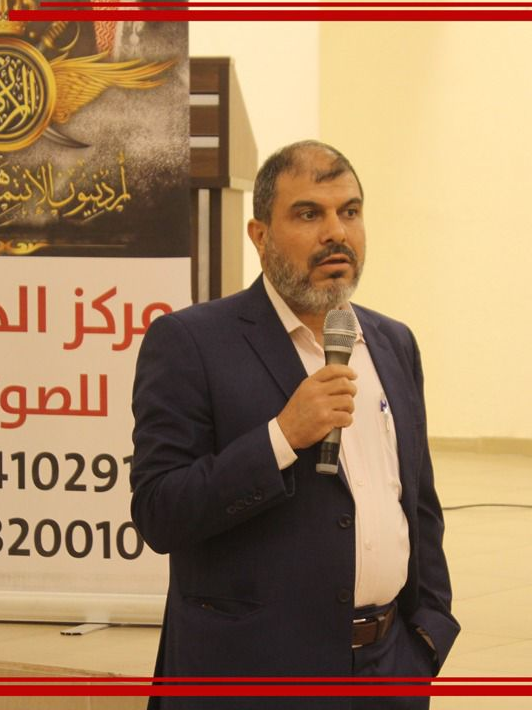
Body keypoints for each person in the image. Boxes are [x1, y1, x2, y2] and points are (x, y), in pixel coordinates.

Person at [130, 140, 459, 709]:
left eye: (350, 211)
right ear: (259, 236)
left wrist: (428, 633)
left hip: (389, 672)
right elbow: (160, 512)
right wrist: (280, 436)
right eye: (309, 214)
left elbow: (418, 503)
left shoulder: (392, 343)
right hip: (252, 679)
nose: (336, 232)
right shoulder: (191, 343)